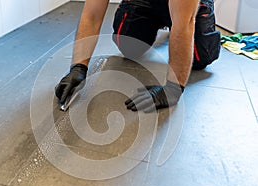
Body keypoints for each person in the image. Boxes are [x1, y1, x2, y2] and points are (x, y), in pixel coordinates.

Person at [55, 0, 220, 113]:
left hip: (186, 8)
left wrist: (172, 88)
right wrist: (78, 67)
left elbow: (185, 22)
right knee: (129, 45)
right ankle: (163, 21)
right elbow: (92, 15)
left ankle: (173, 23)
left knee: (199, 58)